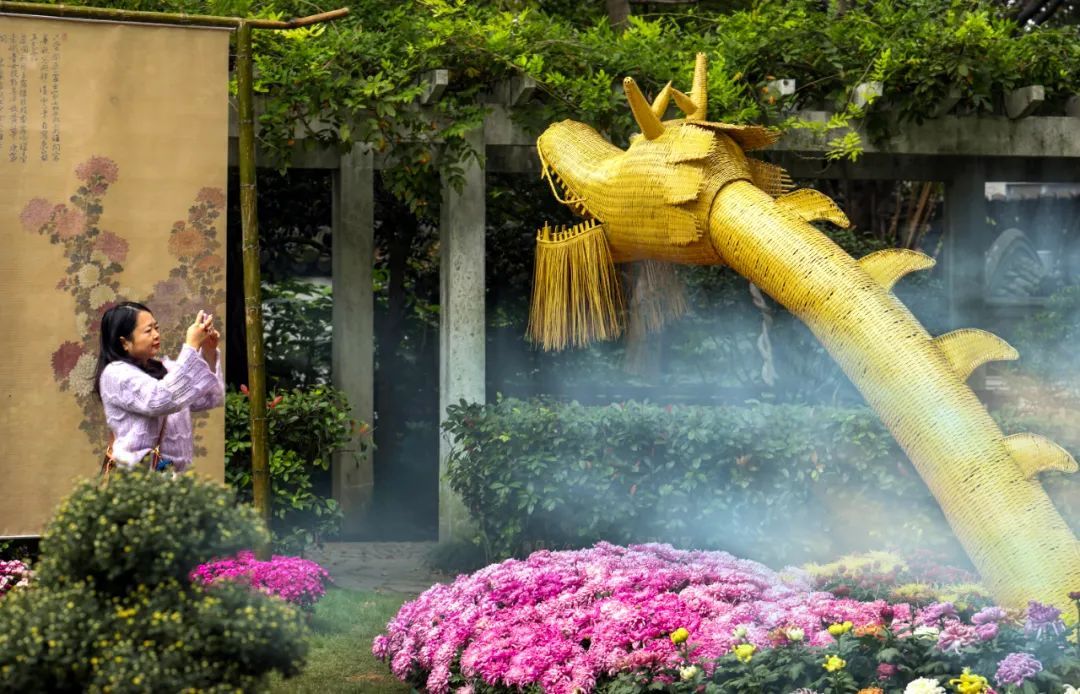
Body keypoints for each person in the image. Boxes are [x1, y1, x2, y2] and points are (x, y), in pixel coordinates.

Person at [93, 301, 224, 474]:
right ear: (124, 342)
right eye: (148, 331)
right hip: (136, 480)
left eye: (156, 328)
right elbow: (159, 400)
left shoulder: (166, 369)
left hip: (173, 480)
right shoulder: (115, 374)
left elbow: (210, 397)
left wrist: (207, 351)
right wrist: (191, 346)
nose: (156, 335)